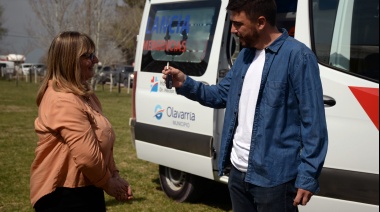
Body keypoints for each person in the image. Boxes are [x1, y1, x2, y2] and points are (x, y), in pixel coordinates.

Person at [162, 0, 328, 211]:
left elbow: (314, 123)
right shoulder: (245, 56)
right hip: (238, 175)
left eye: (238, 24)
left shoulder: (298, 56)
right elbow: (220, 94)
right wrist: (185, 83)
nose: (233, 30)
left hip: (274, 180)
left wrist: (308, 176)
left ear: (260, 22)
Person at [30, 31, 133, 211]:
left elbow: (102, 140)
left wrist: (114, 176)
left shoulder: (84, 94)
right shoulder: (63, 100)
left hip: (87, 187)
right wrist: (108, 183)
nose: (96, 60)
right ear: (70, 60)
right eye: (89, 55)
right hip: (64, 195)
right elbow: (87, 157)